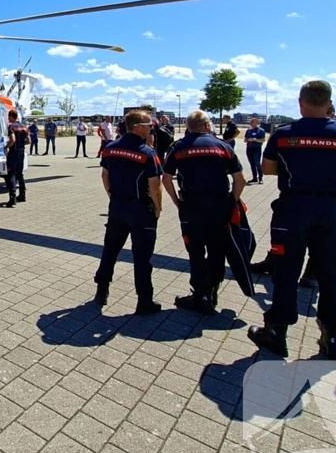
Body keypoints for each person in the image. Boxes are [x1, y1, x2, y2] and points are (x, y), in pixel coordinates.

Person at [247, 81, 336, 360]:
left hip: (293, 206)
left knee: (286, 271)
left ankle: (277, 332)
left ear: (301, 102)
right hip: (330, 207)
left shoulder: (284, 135)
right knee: (330, 274)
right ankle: (333, 336)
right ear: (328, 102)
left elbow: (269, 168)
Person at [162, 111, 246, 315]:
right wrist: (231, 201)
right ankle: (212, 291)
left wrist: (177, 202)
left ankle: (201, 294)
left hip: (192, 205)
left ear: (188, 126)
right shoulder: (223, 146)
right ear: (207, 125)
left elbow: (166, 178)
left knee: (196, 249)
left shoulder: (178, 147)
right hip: (219, 205)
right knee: (217, 248)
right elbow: (240, 179)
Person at [93, 111, 163, 315]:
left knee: (110, 250)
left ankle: (101, 291)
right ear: (137, 127)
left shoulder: (110, 149)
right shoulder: (148, 153)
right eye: (149, 125)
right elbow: (155, 185)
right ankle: (144, 301)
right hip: (141, 209)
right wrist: (158, 208)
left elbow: (104, 175)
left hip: (117, 207)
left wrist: (112, 196)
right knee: (142, 257)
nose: (152, 128)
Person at [5, 109, 29, 207]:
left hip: (13, 153)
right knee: (20, 174)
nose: (8, 118)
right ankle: (22, 195)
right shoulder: (24, 127)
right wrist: (21, 143)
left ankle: (12, 198)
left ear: (11, 116)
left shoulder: (11, 127)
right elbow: (29, 141)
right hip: (21, 152)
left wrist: (6, 146)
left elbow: (13, 139)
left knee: (11, 174)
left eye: (8, 117)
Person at [244, 117, 266, 183]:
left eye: (253, 121)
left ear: (257, 122)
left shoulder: (261, 130)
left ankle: (260, 178)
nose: (251, 123)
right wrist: (246, 140)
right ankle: (254, 177)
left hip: (257, 149)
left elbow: (263, 140)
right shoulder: (248, 130)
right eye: (251, 121)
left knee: (257, 163)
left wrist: (254, 139)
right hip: (249, 148)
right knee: (252, 163)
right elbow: (245, 139)